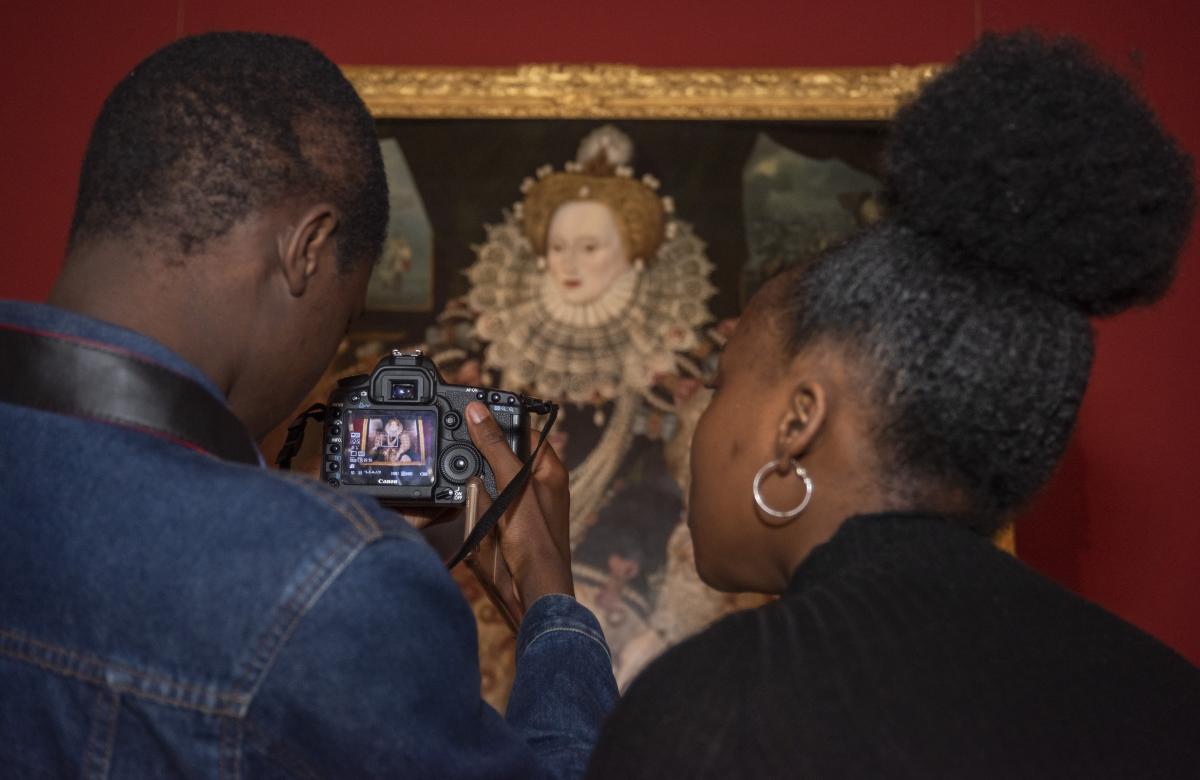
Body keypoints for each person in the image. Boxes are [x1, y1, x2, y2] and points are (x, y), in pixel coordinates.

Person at [586, 31, 1200, 779]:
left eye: (720, 385)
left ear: (797, 421)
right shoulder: (1166, 693)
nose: (705, 419)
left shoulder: (725, 705)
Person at [0, 32, 616, 777]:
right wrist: (553, 613)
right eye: (345, 317)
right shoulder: (323, 577)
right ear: (307, 250)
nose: (328, 359)